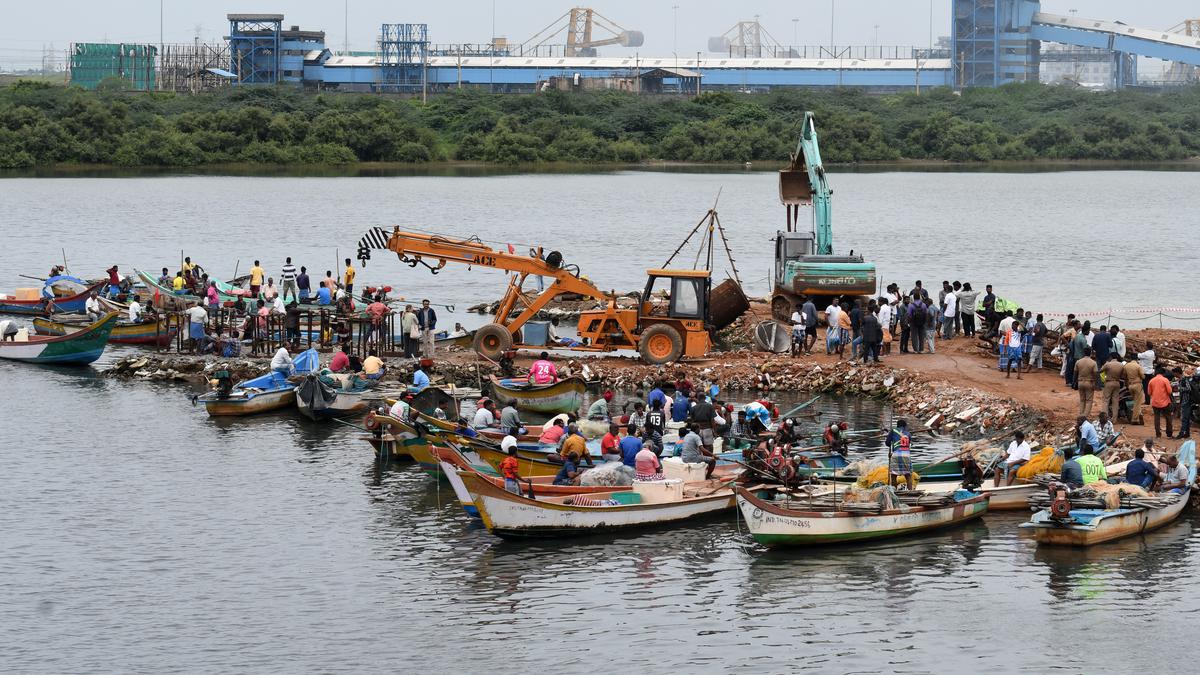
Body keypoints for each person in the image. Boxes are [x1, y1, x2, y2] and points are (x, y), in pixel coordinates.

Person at [886, 419, 914, 490]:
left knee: (893, 475)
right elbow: (909, 444)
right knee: (908, 475)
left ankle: (894, 492)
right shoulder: (908, 433)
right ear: (904, 426)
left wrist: (890, 438)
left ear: (897, 425)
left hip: (896, 455)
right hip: (906, 455)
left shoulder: (893, 431)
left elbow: (887, 443)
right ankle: (910, 492)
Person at [1147, 366, 1173, 438]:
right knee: (1168, 417)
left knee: (1157, 418)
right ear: (1163, 373)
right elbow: (1170, 391)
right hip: (1165, 402)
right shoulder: (1165, 380)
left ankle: (1158, 434)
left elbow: (1149, 393)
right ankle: (1169, 433)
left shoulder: (1151, 380)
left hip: (1155, 402)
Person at [1123, 351, 1145, 424]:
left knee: (1135, 402)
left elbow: (1124, 377)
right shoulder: (1138, 366)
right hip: (1137, 385)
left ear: (1130, 358)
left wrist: (1127, 384)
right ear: (1137, 358)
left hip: (1130, 385)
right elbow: (1142, 376)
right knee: (1137, 403)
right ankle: (1135, 419)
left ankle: (1139, 415)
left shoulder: (1126, 365)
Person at [1074, 347, 1097, 417]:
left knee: (1082, 400)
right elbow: (1095, 373)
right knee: (1089, 400)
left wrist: (1075, 381)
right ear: (1091, 353)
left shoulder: (1078, 361)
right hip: (1089, 382)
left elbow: (1075, 372)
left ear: (1084, 353)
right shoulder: (1093, 363)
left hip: (1080, 382)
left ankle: (1081, 414)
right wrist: (1095, 382)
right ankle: (1085, 416)